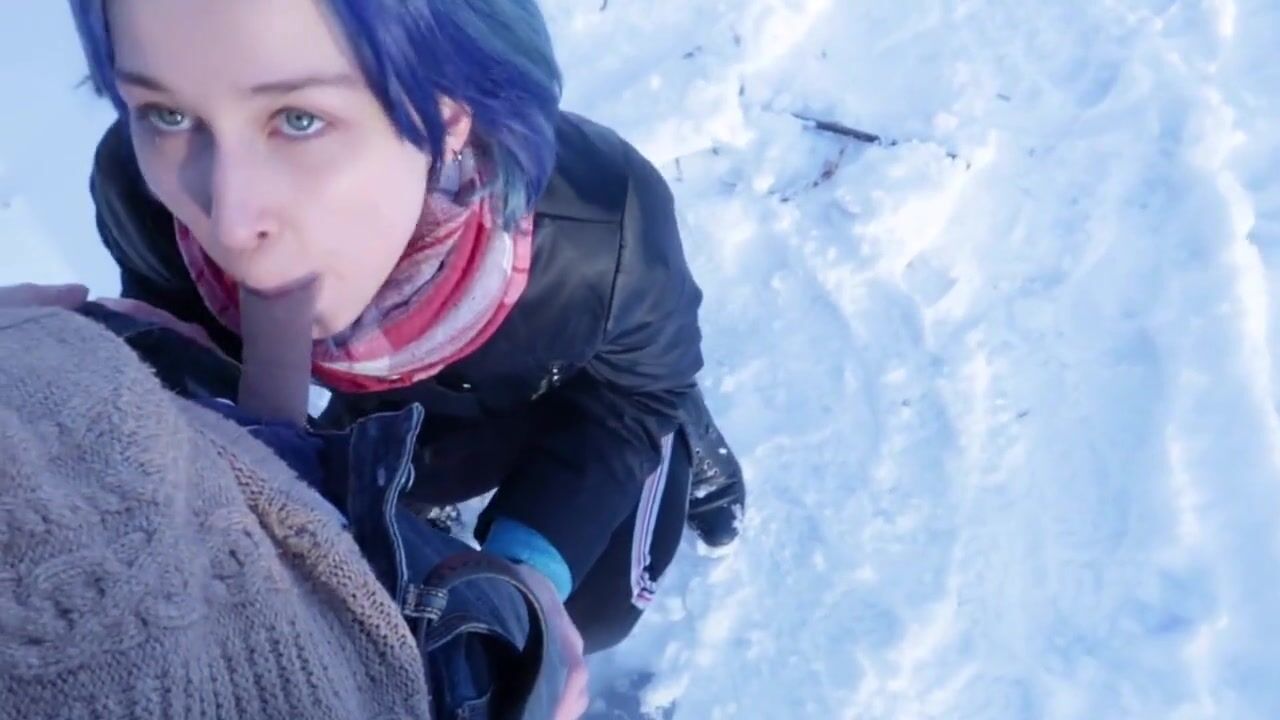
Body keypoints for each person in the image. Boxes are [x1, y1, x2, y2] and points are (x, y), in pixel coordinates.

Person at [64, 0, 746, 661]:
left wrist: (529, 571)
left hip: (558, 385)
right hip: (390, 423)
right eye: (168, 114)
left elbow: (637, 395)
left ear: (447, 117)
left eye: (300, 119)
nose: (229, 222)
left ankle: (696, 440)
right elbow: (189, 359)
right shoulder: (140, 192)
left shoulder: (601, 229)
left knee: (595, 606)